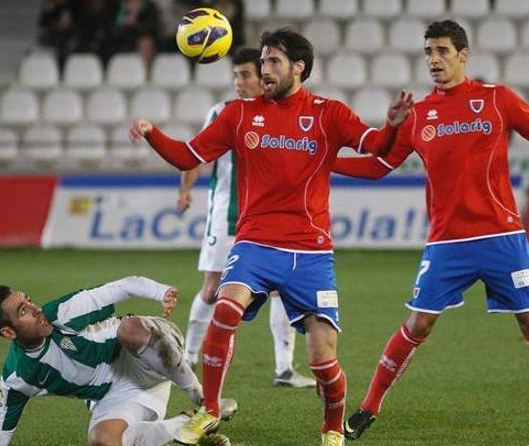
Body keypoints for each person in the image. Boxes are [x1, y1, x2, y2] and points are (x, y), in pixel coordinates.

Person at [129, 28, 414, 446]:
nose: (265, 69)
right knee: (224, 310)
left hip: (311, 253)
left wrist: (392, 126)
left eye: (274, 61)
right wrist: (152, 132)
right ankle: (210, 410)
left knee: (323, 360)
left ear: (299, 66)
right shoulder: (239, 114)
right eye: (263, 61)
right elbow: (187, 155)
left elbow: (375, 147)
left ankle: (332, 428)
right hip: (255, 244)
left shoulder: (328, 113)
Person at [334, 20, 529, 441]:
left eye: (442, 51)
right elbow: (378, 166)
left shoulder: (497, 99)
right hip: (447, 242)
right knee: (418, 325)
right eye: (428, 52)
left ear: (463, 55)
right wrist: (326, 162)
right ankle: (368, 408)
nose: (434, 59)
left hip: (502, 237)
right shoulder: (417, 115)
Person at [0, 276, 237, 446]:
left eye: (29, 300)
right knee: (102, 440)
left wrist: (161, 292)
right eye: (23, 311)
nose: (35, 309)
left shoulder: (62, 312)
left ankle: (203, 399)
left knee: (129, 329)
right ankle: (186, 425)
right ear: (8, 332)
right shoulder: (18, 377)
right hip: (119, 394)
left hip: (150, 350)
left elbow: (125, 286)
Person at [176, 47, 315, 388]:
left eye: (245, 75)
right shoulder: (222, 111)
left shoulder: (280, 110)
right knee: (213, 289)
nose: (239, 82)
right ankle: (188, 356)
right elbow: (196, 153)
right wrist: (186, 190)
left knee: (280, 290)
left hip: (268, 219)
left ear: (262, 76)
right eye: (236, 75)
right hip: (227, 216)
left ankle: (284, 369)